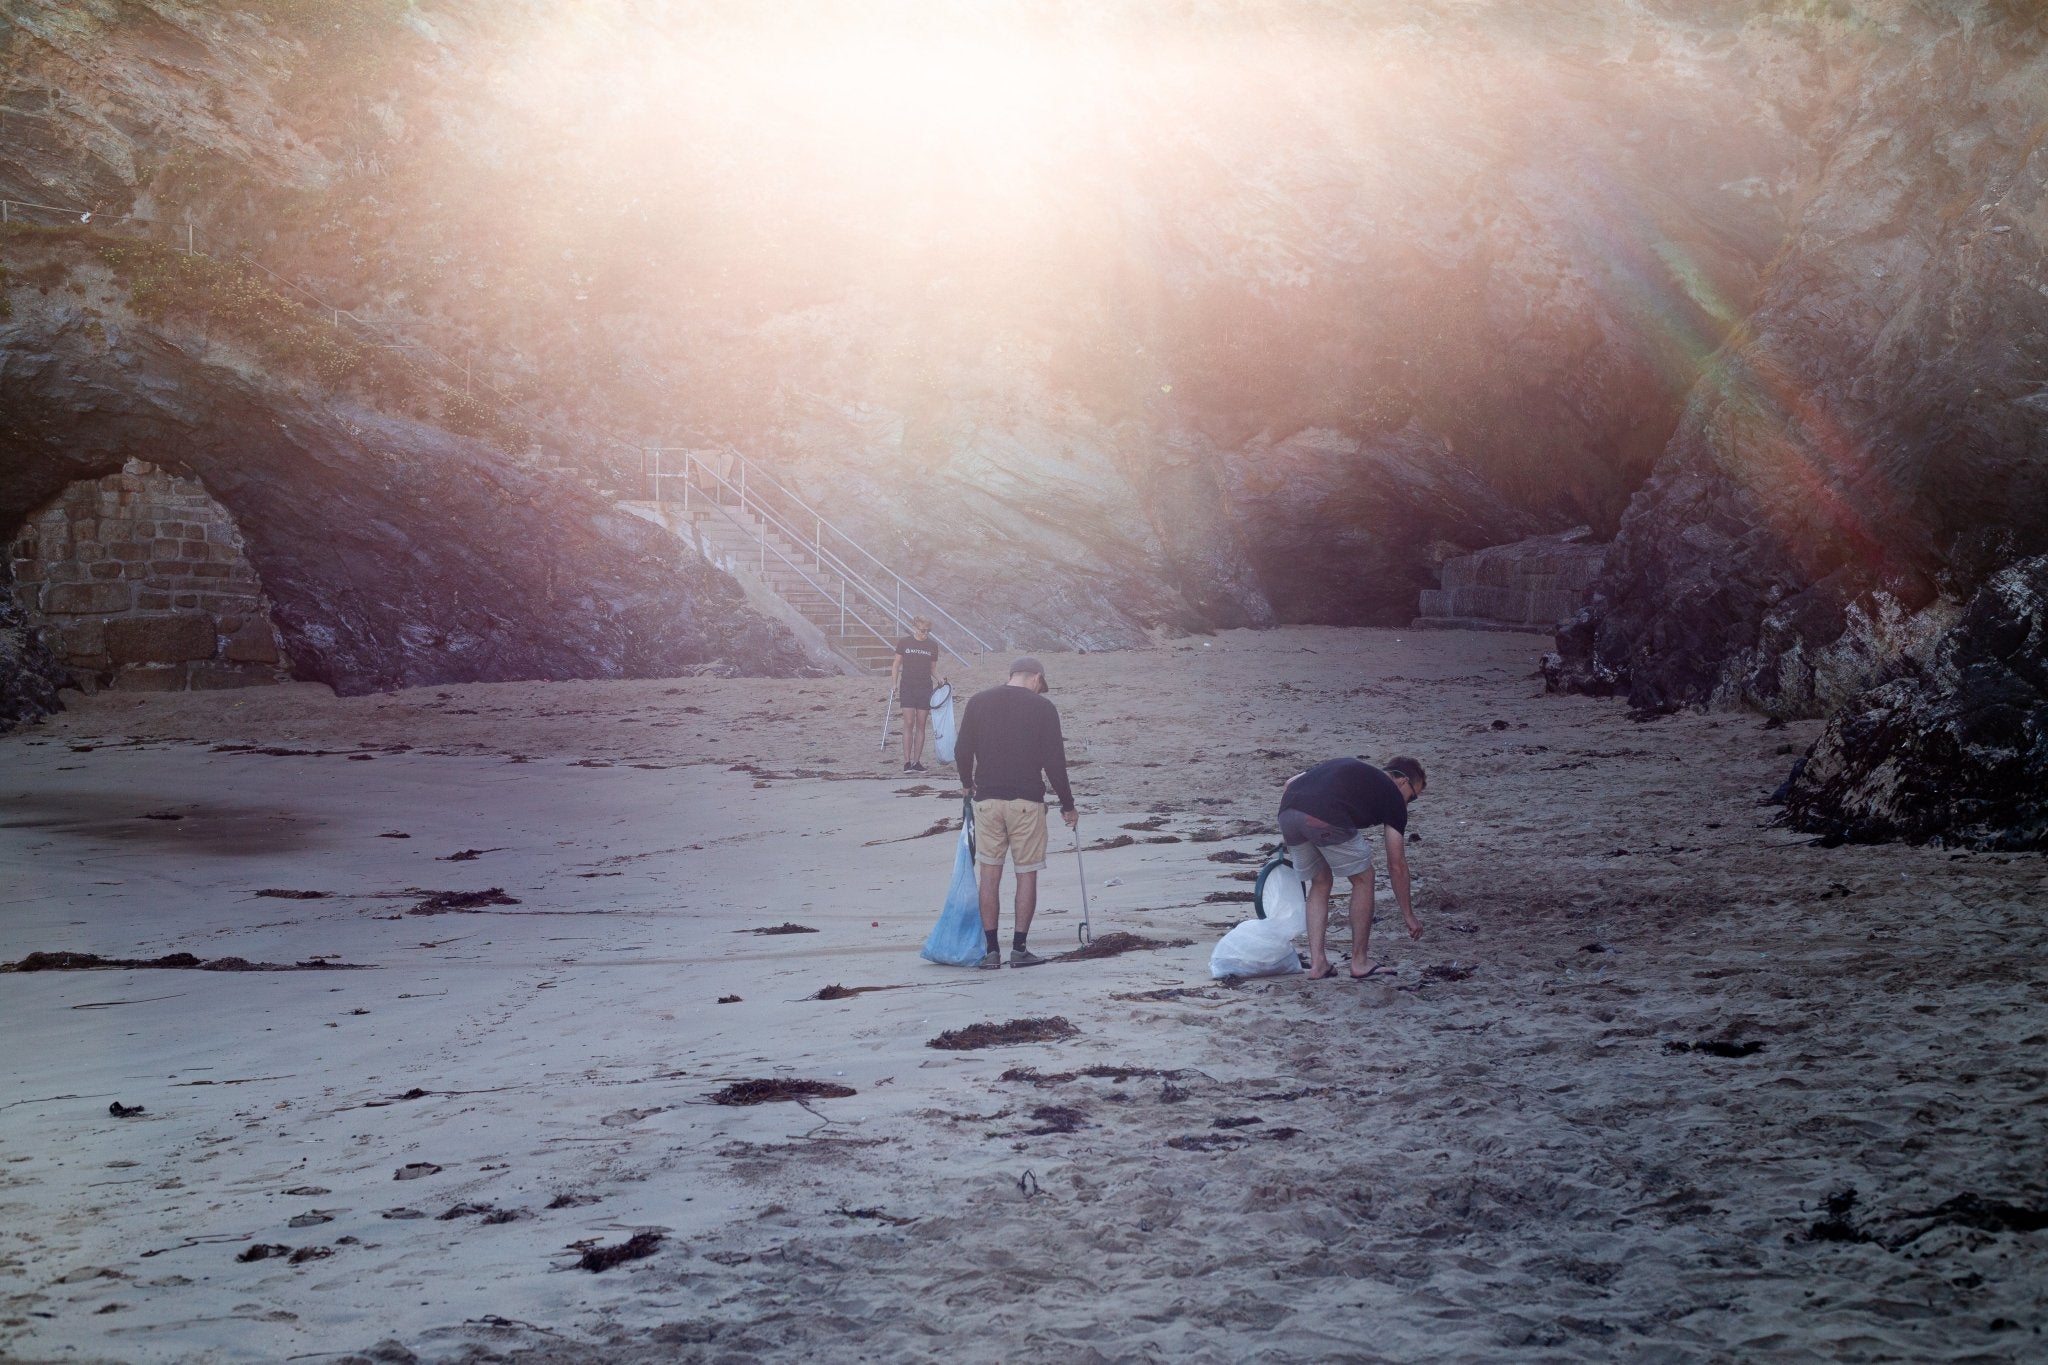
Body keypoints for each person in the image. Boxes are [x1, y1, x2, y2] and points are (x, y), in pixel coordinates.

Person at [953, 657, 1077, 970]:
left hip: (988, 801)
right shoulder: (1043, 707)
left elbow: (961, 750)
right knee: (1026, 874)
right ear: (1036, 677)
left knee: (989, 875)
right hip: (1027, 802)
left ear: (1011, 675)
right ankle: (1019, 949)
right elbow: (1054, 762)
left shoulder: (979, 702)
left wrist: (967, 784)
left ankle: (991, 951)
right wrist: (1068, 804)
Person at [1277, 755, 1426, 979]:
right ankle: (1360, 962)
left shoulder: (1347, 766)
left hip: (1288, 812)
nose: (1407, 803)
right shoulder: (1393, 797)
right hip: (1323, 814)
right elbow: (1396, 864)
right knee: (1363, 878)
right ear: (1403, 782)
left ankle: (1318, 964)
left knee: (1320, 881)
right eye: (1412, 797)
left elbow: (1290, 783)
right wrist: (1408, 914)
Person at [889, 617, 943, 772]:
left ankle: (916, 761)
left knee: (921, 724)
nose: (925, 634)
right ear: (915, 627)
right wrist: (894, 683)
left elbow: (933, 669)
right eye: (922, 630)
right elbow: (896, 664)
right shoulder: (904, 642)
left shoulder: (932, 645)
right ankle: (906, 762)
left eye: (928, 631)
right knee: (909, 723)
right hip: (907, 686)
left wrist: (940, 679)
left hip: (925, 687)